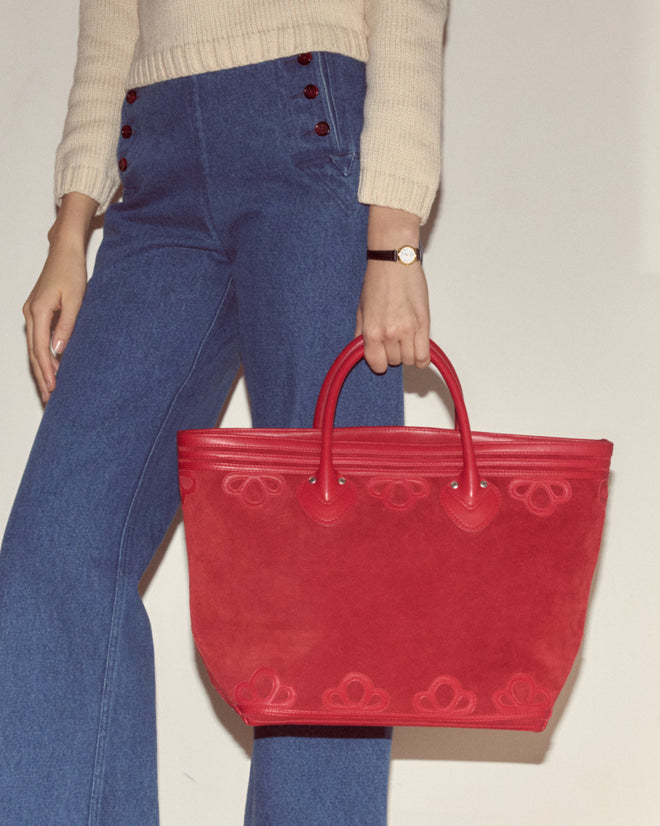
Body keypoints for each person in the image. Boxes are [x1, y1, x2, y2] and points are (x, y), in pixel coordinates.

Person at [0, 1, 448, 823]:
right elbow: (110, 24)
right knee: (56, 547)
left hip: (313, 131)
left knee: (331, 559)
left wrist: (395, 234)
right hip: (154, 168)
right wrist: (72, 225)